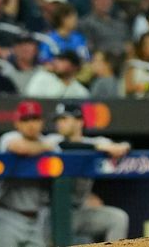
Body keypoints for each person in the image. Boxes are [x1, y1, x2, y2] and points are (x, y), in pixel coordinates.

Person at [53, 101, 131, 242]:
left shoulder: (95, 141)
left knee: (118, 218)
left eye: (64, 119)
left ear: (79, 121)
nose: (59, 123)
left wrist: (122, 146)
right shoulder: (52, 141)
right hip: (54, 212)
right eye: (58, 119)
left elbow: (122, 146)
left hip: (81, 210)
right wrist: (97, 147)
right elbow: (65, 146)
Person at [0, 101, 61, 247]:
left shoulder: (50, 143)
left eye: (35, 119)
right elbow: (20, 147)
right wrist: (46, 146)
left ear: (41, 122)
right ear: (17, 123)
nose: (31, 124)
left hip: (38, 218)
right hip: (7, 214)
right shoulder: (8, 137)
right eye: (25, 120)